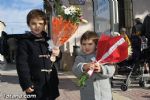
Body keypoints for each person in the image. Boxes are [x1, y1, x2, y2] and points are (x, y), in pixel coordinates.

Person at [16, 9, 61, 100]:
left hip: (50, 82)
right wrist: (26, 83)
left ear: (45, 25)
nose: (37, 26)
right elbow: (22, 65)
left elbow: (55, 57)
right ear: (29, 24)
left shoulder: (49, 40)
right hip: (34, 84)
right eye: (33, 23)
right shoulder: (24, 42)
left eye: (40, 23)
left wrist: (58, 53)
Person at [72, 31, 115, 100]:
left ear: (96, 44)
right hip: (88, 95)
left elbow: (111, 70)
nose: (87, 47)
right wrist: (84, 66)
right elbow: (75, 70)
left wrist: (101, 69)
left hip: (104, 95)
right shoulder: (80, 57)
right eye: (84, 44)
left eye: (90, 44)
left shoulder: (103, 56)